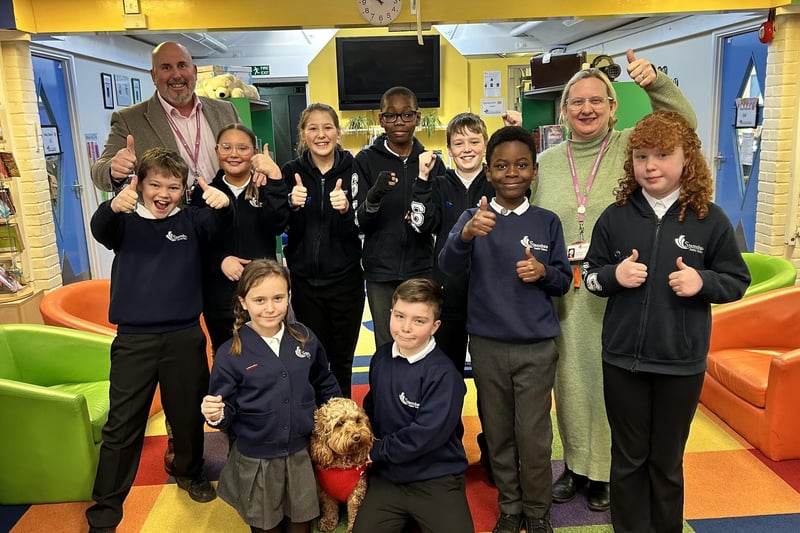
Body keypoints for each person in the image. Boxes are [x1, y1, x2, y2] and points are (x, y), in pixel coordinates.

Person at [532, 49, 698, 512]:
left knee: (610, 382)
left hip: (621, 287)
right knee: (569, 382)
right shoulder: (544, 162)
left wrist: (656, 84)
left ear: (612, 108)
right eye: (576, 102)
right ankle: (576, 466)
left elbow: (683, 129)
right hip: (565, 291)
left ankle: (605, 471)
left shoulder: (630, 148)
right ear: (562, 111)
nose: (586, 109)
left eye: (596, 101)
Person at [581, 110, 750, 533]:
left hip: (680, 364)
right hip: (622, 362)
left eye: (662, 155)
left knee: (667, 461)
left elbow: (736, 281)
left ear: (686, 159)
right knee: (628, 459)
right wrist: (613, 277)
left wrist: (703, 281)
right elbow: (590, 277)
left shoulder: (710, 219)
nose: (650, 165)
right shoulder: (615, 217)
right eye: (640, 156)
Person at [86, 148, 232, 533]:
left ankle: (189, 471)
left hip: (184, 336)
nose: (163, 193)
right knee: (122, 425)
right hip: (134, 341)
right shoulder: (125, 223)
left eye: (173, 185)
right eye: (155, 184)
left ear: (184, 189)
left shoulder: (192, 220)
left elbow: (218, 228)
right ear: (140, 184)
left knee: (187, 417)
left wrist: (222, 204)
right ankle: (105, 512)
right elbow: (101, 229)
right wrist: (113, 205)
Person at [439, 126, 572, 533]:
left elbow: (564, 280)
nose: (511, 172)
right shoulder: (474, 217)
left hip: (536, 347)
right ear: (489, 172)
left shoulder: (547, 221)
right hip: (488, 346)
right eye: (501, 165)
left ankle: (537, 510)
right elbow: (447, 267)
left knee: (533, 436)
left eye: (520, 165)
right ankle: (510, 507)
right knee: (497, 432)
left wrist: (543, 271)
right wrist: (464, 236)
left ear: (534, 171)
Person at [201, 258, 342, 533]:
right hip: (257, 460)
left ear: (289, 297)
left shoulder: (304, 338)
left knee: (301, 524)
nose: (270, 307)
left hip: (300, 454)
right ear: (243, 302)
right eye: (259, 299)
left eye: (278, 298)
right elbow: (223, 409)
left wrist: (340, 411)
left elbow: (324, 380)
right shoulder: (231, 354)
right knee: (266, 527)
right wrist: (216, 414)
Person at [352, 278, 474, 533]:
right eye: (399, 316)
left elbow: (424, 436)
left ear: (435, 326)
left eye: (419, 321)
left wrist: (374, 452)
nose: (406, 328)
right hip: (389, 476)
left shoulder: (444, 376)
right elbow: (372, 407)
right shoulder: (381, 358)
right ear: (390, 313)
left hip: (435, 477)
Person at [353, 86, 446, 349]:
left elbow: (438, 218)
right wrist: (375, 195)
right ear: (380, 120)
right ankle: (387, 391)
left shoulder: (431, 162)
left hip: (421, 268)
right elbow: (358, 221)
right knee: (386, 344)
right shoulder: (365, 160)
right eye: (391, 116)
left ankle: (419, 391)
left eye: (406, 115)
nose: (399, 122)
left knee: (420, 342)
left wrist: (422, 216)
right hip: (380, 271)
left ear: (418, 118)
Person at [282, 103, 363, 399]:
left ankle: (343, 429)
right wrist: (292, 205)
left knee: (342, 362)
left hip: (347, 282)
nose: (321, 134)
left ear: (338, 132)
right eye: (313, 128)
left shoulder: (355, 169)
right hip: (305, 284)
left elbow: (366, 222)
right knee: (312, 360)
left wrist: (347, 210)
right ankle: (317, 427)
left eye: (327, 127)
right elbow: (280, 224)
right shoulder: (290, 172)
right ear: (303, 134)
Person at [191, 123, 289, 350]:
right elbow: (196, 241)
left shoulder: (264, 187)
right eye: (226, 147)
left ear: (254, 153)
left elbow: (278, 224)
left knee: (266, 360)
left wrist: (274, 178)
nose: (234, 154)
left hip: (262, 297)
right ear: (216, 151)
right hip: (219, 299)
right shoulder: (204, 192)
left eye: (242, 148)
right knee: (227, 360)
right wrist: (220, 260)